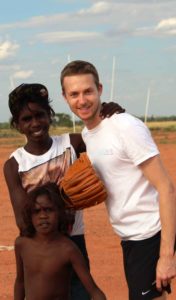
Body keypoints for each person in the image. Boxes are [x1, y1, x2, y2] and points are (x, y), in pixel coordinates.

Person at [60, 60, 176, 300]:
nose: (82, 100)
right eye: (74, 94)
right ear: (65, 97)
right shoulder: (87, 135)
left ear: (100, 89)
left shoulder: (125, 126)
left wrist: (166, 257)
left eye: (88, 91)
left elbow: (166, 188)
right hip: (131, 236)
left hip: (150, 232)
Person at [3, 82, 124, 300]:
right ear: (18, 125)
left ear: (50, 115)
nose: (35, 123)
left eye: (40, 115)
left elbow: (108, 140)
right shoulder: (15, 164)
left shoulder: (73, 143)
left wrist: (108, 115)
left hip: (73, 241)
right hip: (37, 247)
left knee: (81, 293)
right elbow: (23, 221)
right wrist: (61, 200)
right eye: (26, 119)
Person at [14, 182, 107, 300]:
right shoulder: (22, 244)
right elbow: (20, 282)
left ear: (59, 213)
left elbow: (93, 290)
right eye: (37, 211)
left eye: (48, 210)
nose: (43, 216)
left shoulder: (68, 249)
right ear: (29, 215)